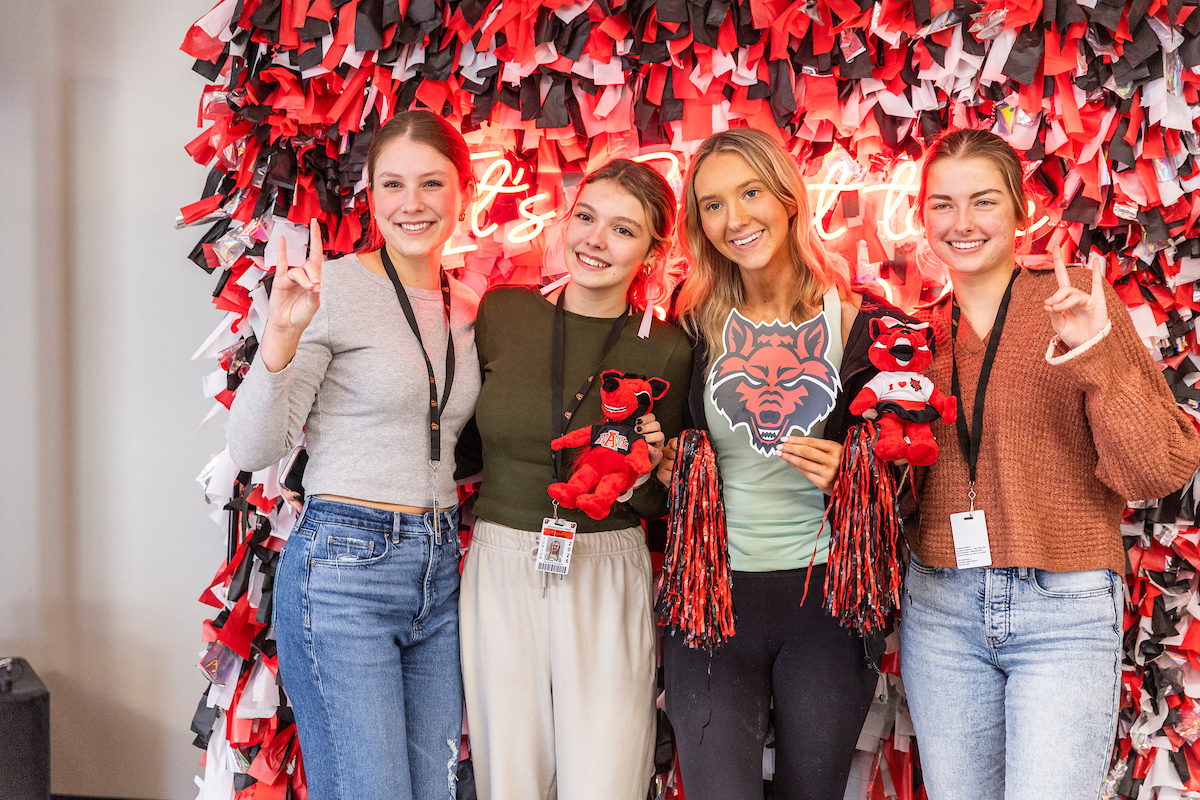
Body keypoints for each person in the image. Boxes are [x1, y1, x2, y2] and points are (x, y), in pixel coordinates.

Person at [900, 128, 1200, 800]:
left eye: (983, 201)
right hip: (941, 609)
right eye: (942, 205)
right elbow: (896, 491)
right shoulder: (910, 336)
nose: (962, 222)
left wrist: (1093, 355)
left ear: (1020, 210)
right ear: (922, 217)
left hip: (1062, 607)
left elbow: (1158, 471)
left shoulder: (1078, 300)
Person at [227, 110, 479, 800]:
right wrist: (278, 333)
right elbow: (253, 448)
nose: (412, 203)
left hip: (440, 570)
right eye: (392, 184)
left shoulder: (467, 304)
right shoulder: (329, 289)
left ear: (464, 190)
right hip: (345, 571)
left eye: (432, 183)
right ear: (368, 192)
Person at [656, 127, 903, 799]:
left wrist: (857, 477)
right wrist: (660, 458)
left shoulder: (866, 328)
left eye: (750, 193)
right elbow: (658, 450)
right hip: (711, 602)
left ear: (790, 198)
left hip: (826, 603)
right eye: (711, 205)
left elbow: (915, 476)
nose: (733, 219)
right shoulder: (688, 324)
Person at [458, 159, 693, 800]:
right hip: (501, 557)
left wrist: (658, 469)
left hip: (607, 563)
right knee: (511, 774)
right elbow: (465, 442)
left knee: (607, 776)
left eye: (622, 229)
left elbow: (659, 488)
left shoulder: (670, 348)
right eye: (586, 217)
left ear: (653, 248)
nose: (595, 240)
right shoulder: (503, 314)